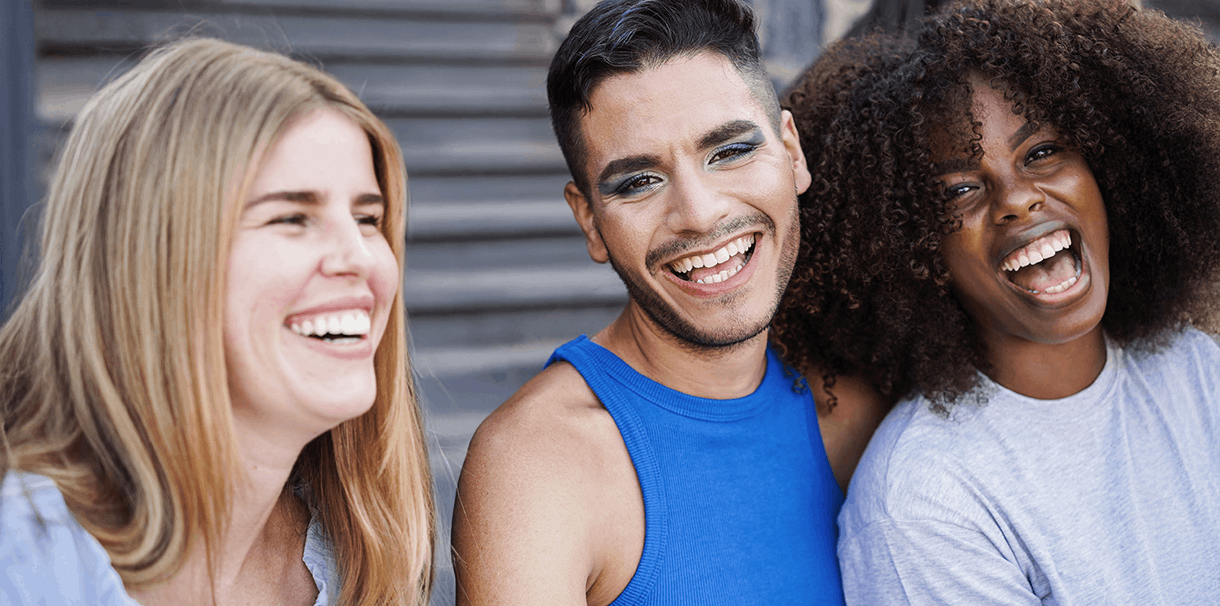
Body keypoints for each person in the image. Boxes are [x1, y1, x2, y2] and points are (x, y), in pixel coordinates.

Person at [774, 0, 1220, 603]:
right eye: (959, 190)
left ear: (1110, 167)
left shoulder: (1198, 370)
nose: (1017, 199)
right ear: (912, 248)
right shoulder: (925, 501)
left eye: (1041, 153)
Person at [450, 1, 888, 604]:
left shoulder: (853, 407)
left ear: (792, 153)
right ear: (590, 222)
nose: (699, 213)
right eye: (638, 182)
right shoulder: (540, 465)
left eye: (731, 151)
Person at [0, 38, 434, 605]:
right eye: (292, 217)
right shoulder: (24, 557)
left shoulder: (359, 551)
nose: (360, 257)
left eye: (367, 217)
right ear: (152, 257)